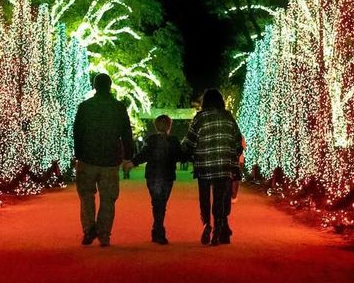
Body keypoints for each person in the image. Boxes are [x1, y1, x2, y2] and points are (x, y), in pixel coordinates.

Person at [73, 73, 134, 247]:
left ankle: (88, 229)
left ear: (94, 86)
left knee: (86, 196)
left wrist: (78, 153)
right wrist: (128, 155)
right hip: (110, 159)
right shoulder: (118, 107)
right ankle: (104, 234)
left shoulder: (85, 107)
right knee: (108, 199)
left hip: (87, 158)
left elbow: (77, 132)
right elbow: (126, 133)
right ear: (110, 86)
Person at [182, 88, 242, 246]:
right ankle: (218, 227)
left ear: (205, 102)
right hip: (223, 166)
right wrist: (232, 155)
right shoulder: (228, 117)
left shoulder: (199, 118)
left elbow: (189, 142)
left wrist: (185, 154)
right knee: (220, 198)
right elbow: (237, 141)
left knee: (204, 197)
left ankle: (206, 224)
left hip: (204, 165)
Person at [123, 115, 184, 245]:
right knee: (162, 203)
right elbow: (180, 156)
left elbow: (143, 155)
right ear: (169, 126)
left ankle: (157, 230)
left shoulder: (151, 140)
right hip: (167, 176)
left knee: (157, 203)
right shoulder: (174, 141)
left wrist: (132, 163)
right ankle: (159, 231)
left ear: (156, 126)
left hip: (152, 176)